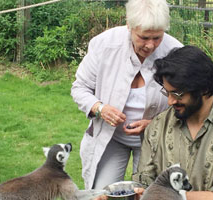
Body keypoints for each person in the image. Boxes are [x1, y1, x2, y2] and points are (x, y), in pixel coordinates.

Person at [70, 0, 183, 190]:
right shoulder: (104, 44)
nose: (150, 45)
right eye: (144, 37)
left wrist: (156, 124)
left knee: (150, 193)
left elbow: (184, 99)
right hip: (112, 137)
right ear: (129, 25)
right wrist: (100, 108)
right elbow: (80, 88)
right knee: (103, 193)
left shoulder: (175, 51)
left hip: (156, 140)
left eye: (157, 37)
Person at [132, 45, 213, 200]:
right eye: (167, 92)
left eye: (177, 94)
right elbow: (144, 181)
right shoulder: (158, 125)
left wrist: (168, 196)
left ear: (203, 89)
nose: (170, 101)